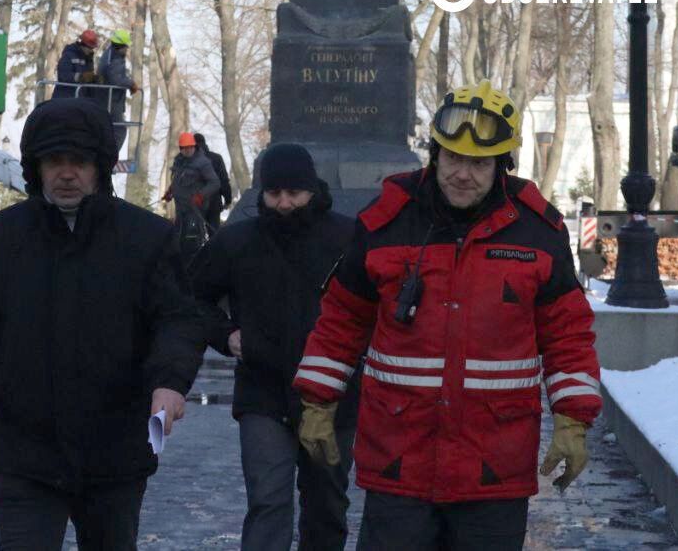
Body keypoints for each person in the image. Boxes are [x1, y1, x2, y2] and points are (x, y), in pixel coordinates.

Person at [292, 79, 602, 550]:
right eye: (452, 158)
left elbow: (568, 335)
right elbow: (342, 319)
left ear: (501, 165)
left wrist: (573, 420)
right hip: (399, 460)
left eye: (478, 163)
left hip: (493, 466)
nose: (463, 173)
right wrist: (317, 402)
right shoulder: (386, 222)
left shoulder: (538, 233)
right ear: (434, 155)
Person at [0, 98, 206, 550]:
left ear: (100, 167)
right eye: (55, 161)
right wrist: (1, 380)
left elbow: (177, 319)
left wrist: (170, 382)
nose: (67, 173)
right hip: (24, 448)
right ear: (36, 167)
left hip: (115, 450)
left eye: (79, 162)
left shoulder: (145, 238)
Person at [190, 143, 360, 550]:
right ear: (263, 193)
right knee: (268, 501)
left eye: (294, 194)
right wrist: (224, 334)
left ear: (312, 191)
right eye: (274, 194)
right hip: (263, 392)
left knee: (327, 505)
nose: (284, 204)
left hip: (333, 394)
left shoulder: (348, 238)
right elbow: (192, 297)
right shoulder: (238, 240)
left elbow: (373, 305)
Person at [165, 132, 220, 255]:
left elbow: (215, 183)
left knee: (192, 238)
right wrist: (170, 191)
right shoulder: (178, 161)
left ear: (194, 146)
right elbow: (177, 180)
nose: (188, 150)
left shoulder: (203, 163)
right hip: (180, 208)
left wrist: (201, 195)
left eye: (190, 147)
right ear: (181, 149)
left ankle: (193, 264)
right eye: (185, 148)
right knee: (179, 238)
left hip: (195, 209)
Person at [98, 29, 139, 156]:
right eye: (126, 47)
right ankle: (109, 157)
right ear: (120, 46)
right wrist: (131, 83)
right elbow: (116, 79)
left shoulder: (109, 54)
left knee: (108, 129)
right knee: (120, 130)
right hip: (111, 100)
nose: (127, 50)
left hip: (108, 98)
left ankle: (104, 155)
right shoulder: (115, 59)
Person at [192, 133, 233, 231]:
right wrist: (227, 200)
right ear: (204, 143)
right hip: (213, 202)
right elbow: (223, 180)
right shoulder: (216, 158)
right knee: (213, 233)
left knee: (194, 234)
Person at [53, 30, 99, 99]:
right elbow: (63, 75)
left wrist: (94, 79)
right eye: (90, 48)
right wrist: (80, 77)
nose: (91, 50)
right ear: (83, 45)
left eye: (92, 48)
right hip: (65, 97)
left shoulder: (89, 58)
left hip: (80, 97)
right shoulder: (68, 55)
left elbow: (88, 76)